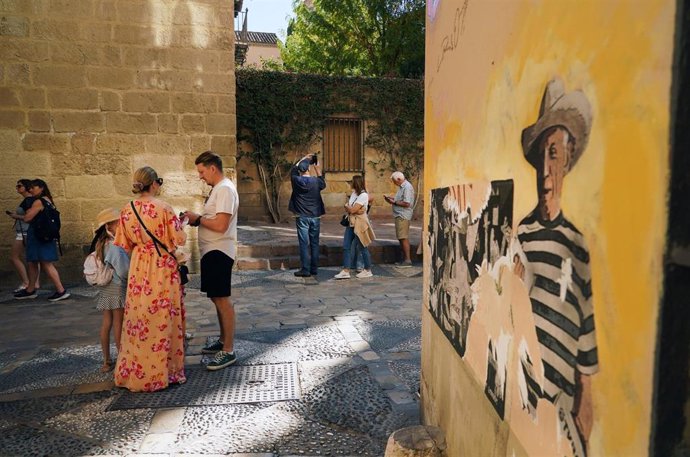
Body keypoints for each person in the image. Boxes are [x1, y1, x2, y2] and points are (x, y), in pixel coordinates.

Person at [513, 77, 598, 452]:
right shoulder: (522, 235)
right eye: (543, 156)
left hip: (562, 410)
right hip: (527, 400)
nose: (547, 169)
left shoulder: (577, 243)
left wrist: (585, 406)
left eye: (555, 154)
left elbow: (586, 330)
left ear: (568, 158)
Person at [114, 167, 186, 392]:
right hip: (162, 266)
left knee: (138, 317)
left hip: (139, 265)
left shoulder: (127, 209)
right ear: (154, 183)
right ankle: (165, 371)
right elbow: (178, 239)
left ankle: (135, 371)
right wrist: (180, 224)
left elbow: (123, 244)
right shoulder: (164, 208)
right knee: (164, 316)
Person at [183, 151, 240, 371]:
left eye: (201, 171)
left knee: (222, 299)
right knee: (217, 298)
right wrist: (198, 219)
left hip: (219, 250)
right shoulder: (219, 189)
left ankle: (228, 350)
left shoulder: (224, 189)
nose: (200, 176)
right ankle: (223, 339)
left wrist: (197, 219)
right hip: (212, 251)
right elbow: (214, 220)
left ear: (212, 168)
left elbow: (220, 225)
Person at [12, 179, 69, 301]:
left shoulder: (39, 201)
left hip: (39, 236)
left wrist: (19, 216)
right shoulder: (48, 200)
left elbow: (27, 218)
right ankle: (30, 290)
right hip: (43, 235)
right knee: (33, 262)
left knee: (46, 263)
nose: (31, 190)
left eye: (33, 187)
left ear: (41, 188)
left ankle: (61, 290)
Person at [88, 208, 129, 373]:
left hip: (106, 288)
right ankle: (122, 358)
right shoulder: (114, 246)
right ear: (110, 226)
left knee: (107, 323)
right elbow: (124, 271)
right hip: (117, 287)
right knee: (119, 322)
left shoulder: (100, 243)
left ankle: (107, 360)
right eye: (119, 222)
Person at [288, 153, 326, 277]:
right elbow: (323, 183)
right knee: (315, 243)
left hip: (302, 216)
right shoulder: (316, 182)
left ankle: (305, 269)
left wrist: (303, 159)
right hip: (315, 216)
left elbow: (294, 169)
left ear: (300, 171)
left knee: (304, 243)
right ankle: (314, 269)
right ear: (309, 169)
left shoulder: (296, 180)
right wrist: (317, 168)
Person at [334, 176, 376, 279]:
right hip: (351, 223)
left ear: (356, 183)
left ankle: (367, 269)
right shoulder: (354, 194)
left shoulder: (363, 195)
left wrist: (351, 208)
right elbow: (349, 207)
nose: (350, 184)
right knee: (346, 246)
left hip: (359, 223)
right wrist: (353, 209)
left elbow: (351, 209)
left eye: (352, 182)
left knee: (362, 247)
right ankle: (346, 270)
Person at [7, 179, 39, 293]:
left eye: (19, 186)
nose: (17, 188)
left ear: (26, 187)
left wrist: (15, 216)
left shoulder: (29, 200)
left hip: (24, 232)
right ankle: (34, 283)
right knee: (32, 258)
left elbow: (30, 217)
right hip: (25, 231)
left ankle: (27, 282)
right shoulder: (28, 200)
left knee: (14, 257)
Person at [384, 171, 415, 267]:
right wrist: (393, 200)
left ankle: (407, 260)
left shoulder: (407, 187)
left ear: (398, 179)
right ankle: (404, 259)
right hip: (400, 215)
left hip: (403, 215)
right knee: (401, 237)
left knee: (403, 237)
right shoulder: (403, 187)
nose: (394, 183)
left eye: (394, 181)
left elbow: (406, 203)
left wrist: (394, 202)